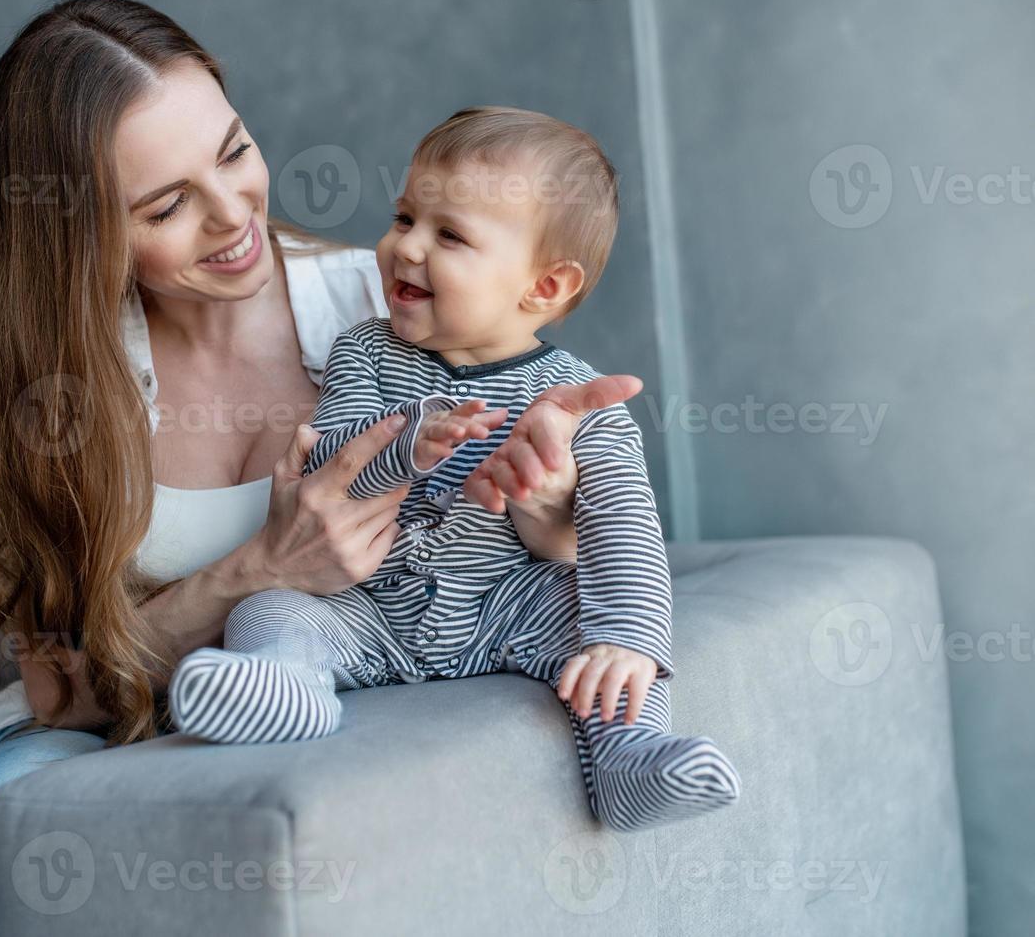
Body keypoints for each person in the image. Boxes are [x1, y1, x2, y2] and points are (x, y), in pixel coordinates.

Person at [0, 0, 621, 936]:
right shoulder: (54, 391)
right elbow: (60, 695)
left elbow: (547, 555)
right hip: (85, 744)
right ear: (80, 234)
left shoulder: (397, 303)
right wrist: (260, 572)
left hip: (329, 705)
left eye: (234, 152)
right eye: (167, 205)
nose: (235, 215)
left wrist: (551, 508)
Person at [167, 107, 742, 832]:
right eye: (405, 217)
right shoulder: (366, 353)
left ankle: (629, 755)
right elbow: (329, 459)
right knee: (268, 612)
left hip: (506, 604)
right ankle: (286, 688)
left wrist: (626, 641)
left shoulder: (573, 400)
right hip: (369, 609)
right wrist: (407, 444)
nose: (406, 248)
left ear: (544, 287)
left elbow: (623, 524)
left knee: (598, 637)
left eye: (450, 236)